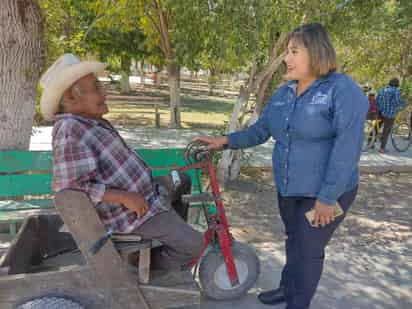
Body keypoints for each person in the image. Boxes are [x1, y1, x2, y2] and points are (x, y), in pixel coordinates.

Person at [196, 23, 367, 309]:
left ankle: (297, 303)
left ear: (316, 52)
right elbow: (261, 130)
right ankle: (288, 289)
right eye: (287, 51)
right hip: (289, 187)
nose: (286, 58)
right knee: (293, 240)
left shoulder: (342, 91)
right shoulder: (285, 93)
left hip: (326, 191)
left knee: (309, 249)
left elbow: (347, 149)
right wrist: (224, 140)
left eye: (293, 51)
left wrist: (327, 198)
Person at [39, 54, 203, 272]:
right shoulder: (70, 130)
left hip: (145, 197)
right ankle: (145, 268)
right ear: (71, 98)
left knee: (180, 179)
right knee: (197, 245)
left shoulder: (87, 122)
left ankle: (171, 232)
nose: (104, 92)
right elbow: (71, 189)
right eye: (96, 88)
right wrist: (124, 197)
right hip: (127, 216)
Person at [376, 78, 406, 153]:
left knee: (376, 127)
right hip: (390, 114)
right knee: (386, 130)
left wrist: (380, 108)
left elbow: (377, 100)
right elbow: (397, 101)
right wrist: (404, 104)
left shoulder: (382, 89)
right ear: (397, 84)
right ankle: (382, 148)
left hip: (380, 112)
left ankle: (371, 143)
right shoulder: (396, 91)